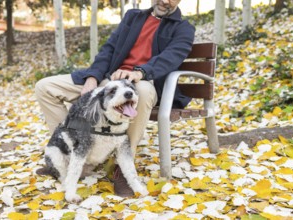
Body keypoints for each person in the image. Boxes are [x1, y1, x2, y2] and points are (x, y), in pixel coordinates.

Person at [35, 0, 195, 197]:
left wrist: (141, 72)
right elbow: (109, 49)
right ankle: (69, 151)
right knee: (45, 87)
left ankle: (123, 168)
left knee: (142, 92)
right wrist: (92, 77)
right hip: (109, 80)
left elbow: (172, 56)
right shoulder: (133, 17)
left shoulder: (183, 28)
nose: (165, 1)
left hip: (144, 82)